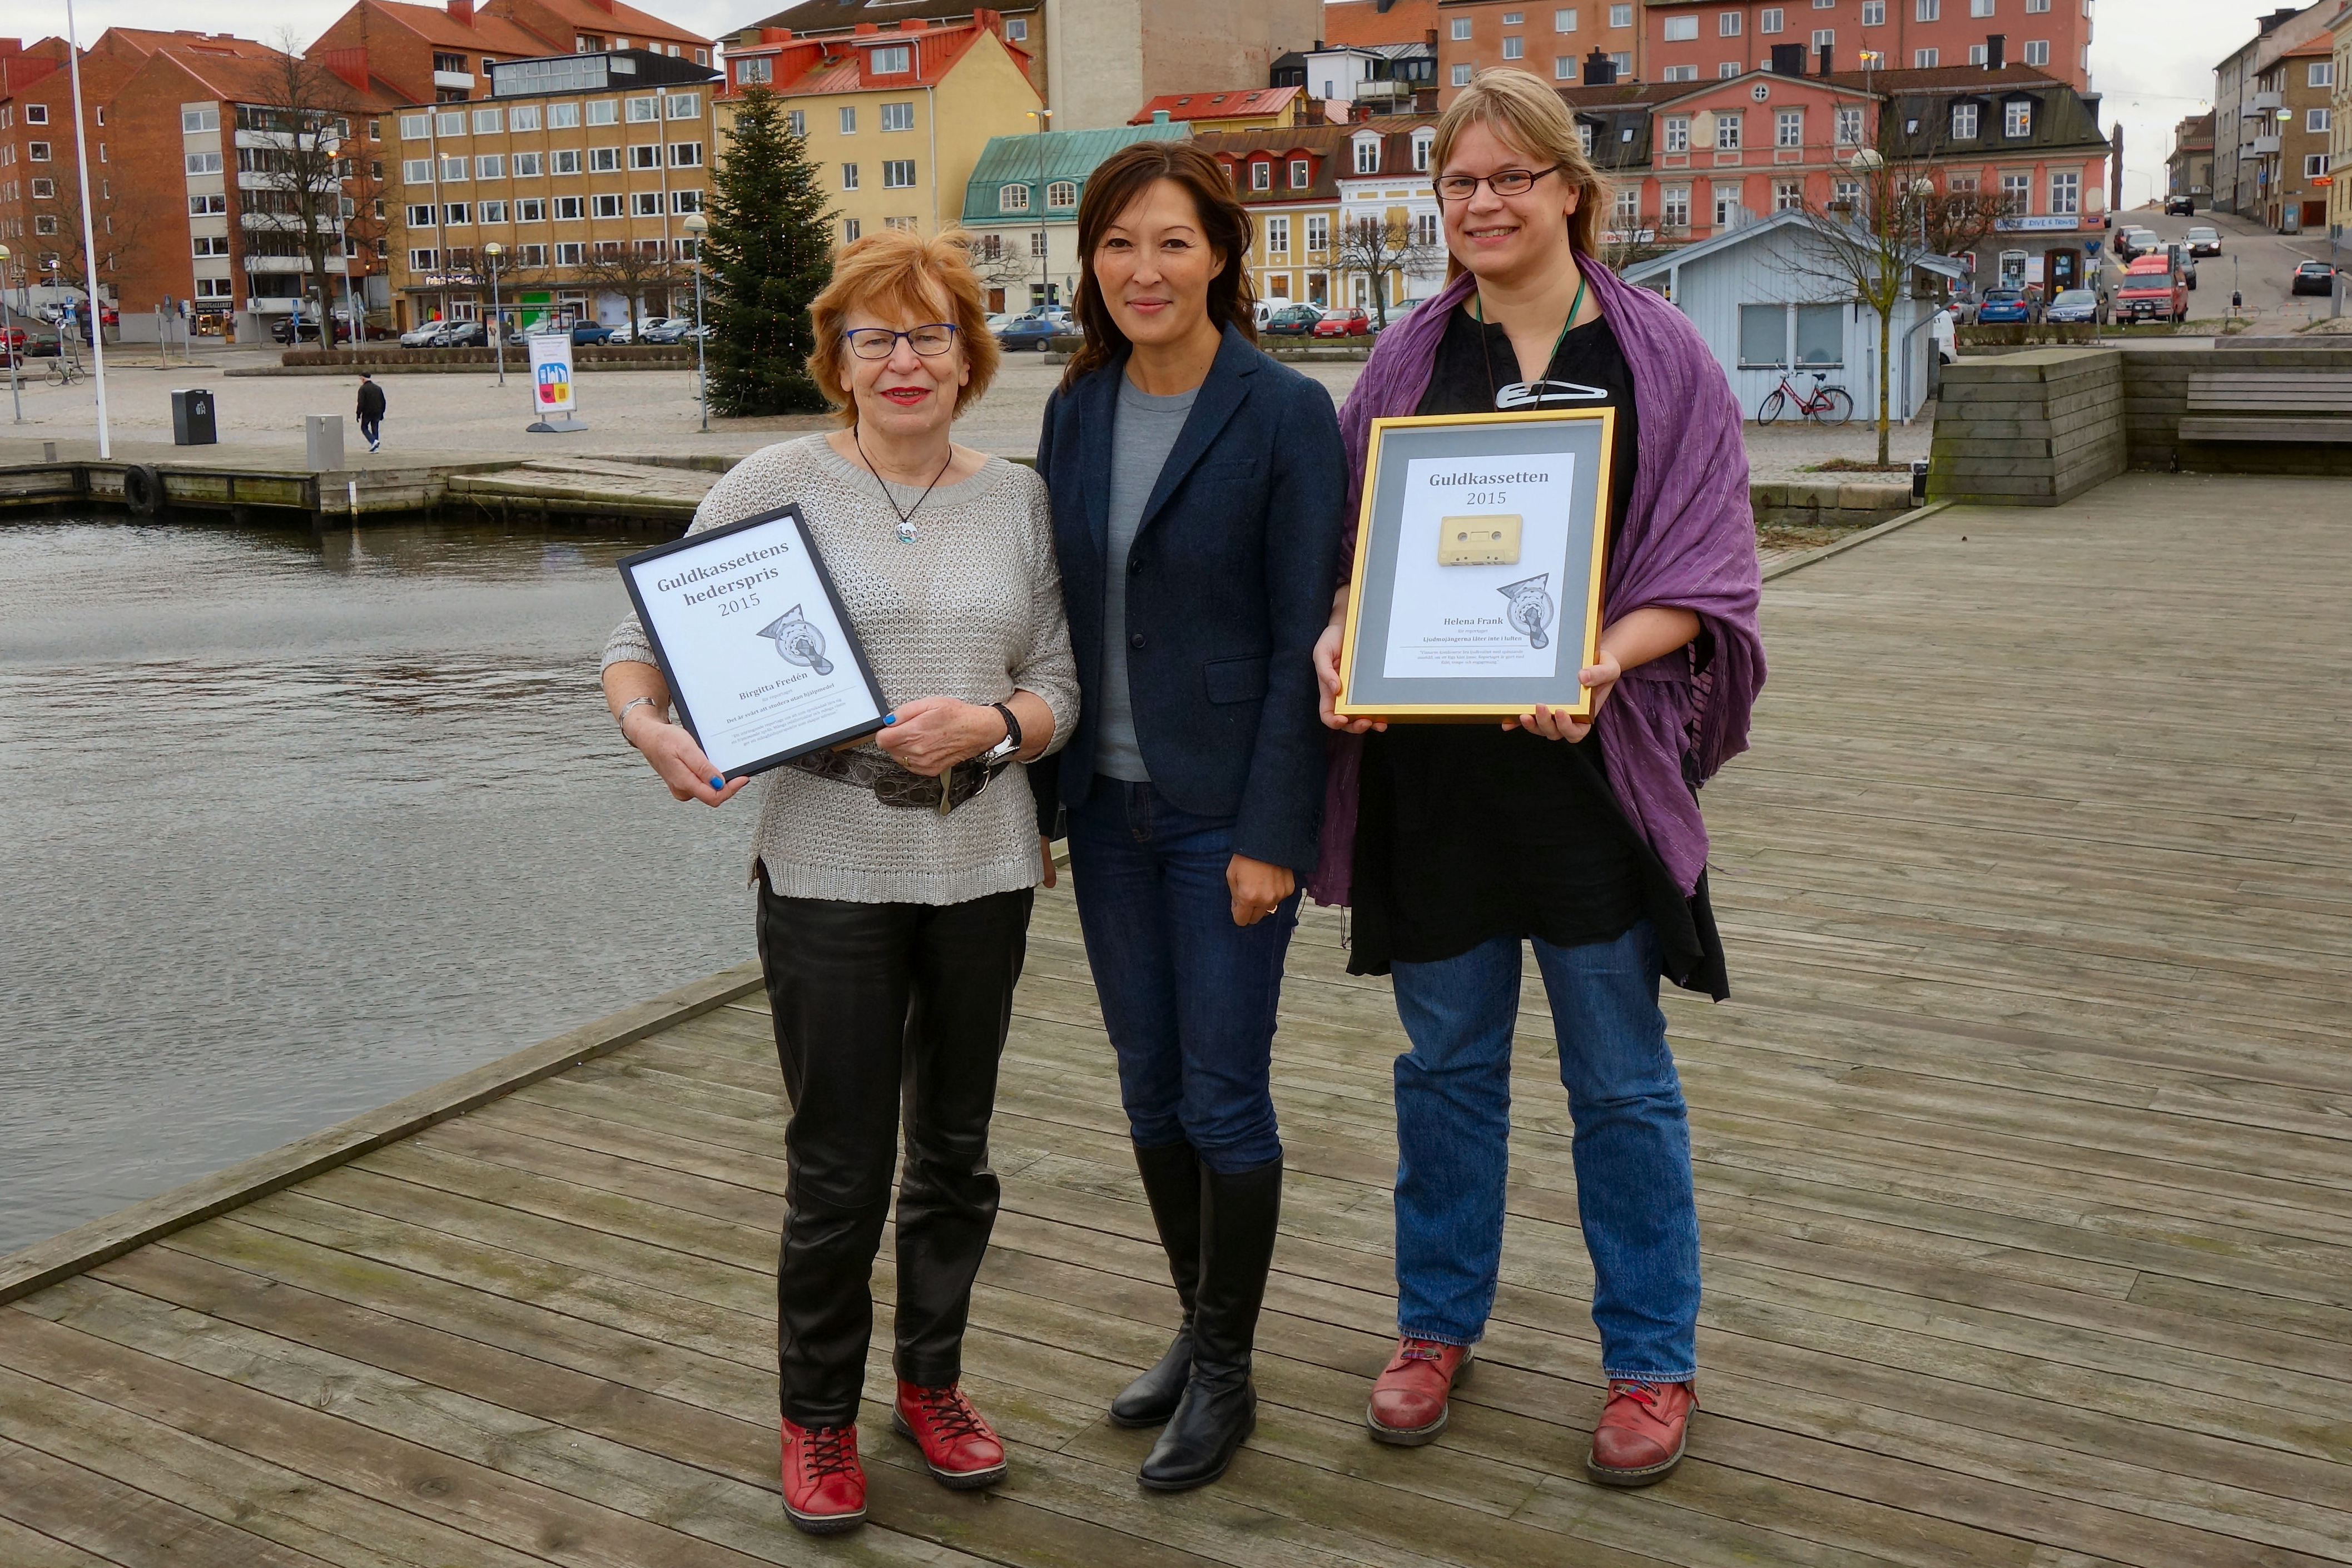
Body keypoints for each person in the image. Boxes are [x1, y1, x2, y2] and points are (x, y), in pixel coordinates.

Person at [1309, 69, 1764, 1487]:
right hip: (1435, 785)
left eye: (1512, 177)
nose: (1484, 204)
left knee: (1619, 1080)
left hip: (1584, 778)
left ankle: (1648, 1353)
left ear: (1571, 187)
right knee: (1443, 1070)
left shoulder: (1660, 353)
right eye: (1459, 183)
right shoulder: (1404, 358)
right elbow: (1352, 556)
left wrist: (1599, 664)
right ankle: (1435, 1322)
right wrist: (1339, 639)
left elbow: (1705, 566)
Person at [600, 228, 1078, 1536]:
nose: (904, 359)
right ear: (839, 356)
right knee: (838, 1166)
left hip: (982, 865)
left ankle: (933, 1382)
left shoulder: (1022, 500)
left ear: (970, 354)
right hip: (824, 866)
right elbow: (641, 646)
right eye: (876, 335)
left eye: (930, 333)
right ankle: (816, 1412)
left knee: (957, 1155)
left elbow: (1061, 684)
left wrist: (992, 723)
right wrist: (653, 729)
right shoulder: (771, 481)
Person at [1030, 138, 1346, 1492]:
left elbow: (1299, 640)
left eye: (1168, 242)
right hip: (1103, 807)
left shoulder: (1282, 412)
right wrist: (1039, 793)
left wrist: (1277, 828)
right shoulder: (1077, 406)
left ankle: (1226, 1371)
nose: (1141, 270)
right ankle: (1197, 1321)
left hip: (1226, 813)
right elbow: (1047, 610)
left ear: (1221, 252)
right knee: (1148, 1087)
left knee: (1223, 1092)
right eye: (1116, 245)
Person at [356, 374, 386, 452]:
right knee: (375, 428)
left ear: (363, 379)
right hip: (377, 412)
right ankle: (375, 448)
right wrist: (382, 413)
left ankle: (373, 441)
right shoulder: (378, 388)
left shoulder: (363, 389)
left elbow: (361, 403)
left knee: (364, 428)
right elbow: (383, 402)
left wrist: (358, 414)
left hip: (367, 412)